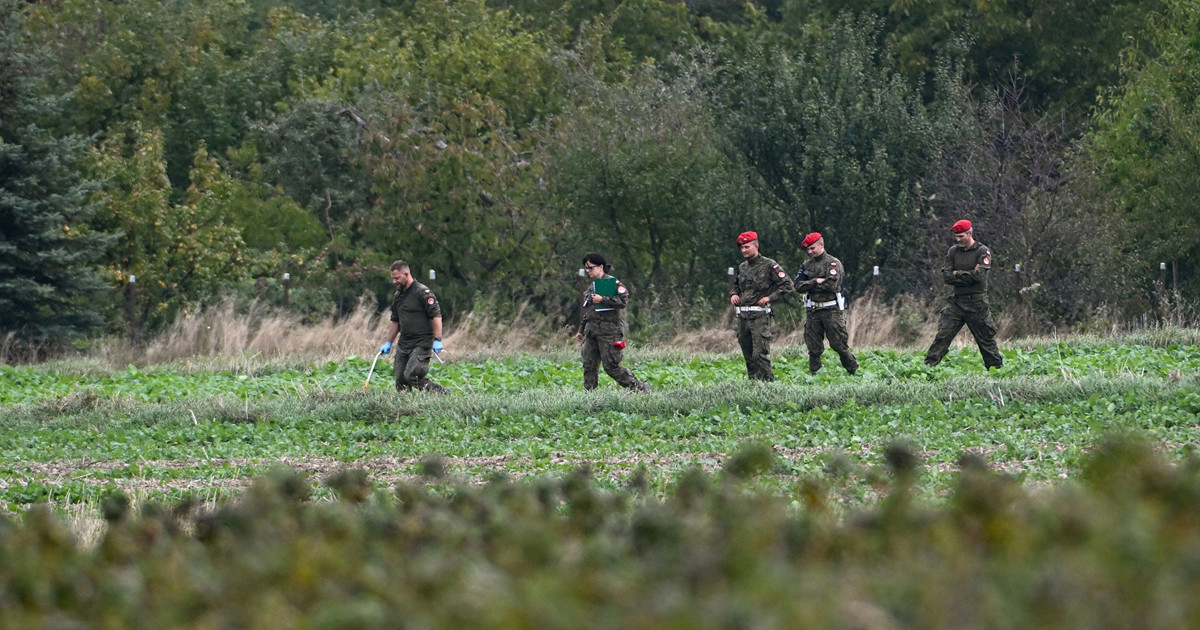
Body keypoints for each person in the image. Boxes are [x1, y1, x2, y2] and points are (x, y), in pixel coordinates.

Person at [924, 220, 1003, 370]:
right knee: (942, 336)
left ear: (970, 233)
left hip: (977, 304)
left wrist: (957, 274)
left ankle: (997, 372)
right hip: (957, 303)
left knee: (986, 342)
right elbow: (947, 277)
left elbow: (979, 276)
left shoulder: (982, 251)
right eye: (956, 237)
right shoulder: (953, 251)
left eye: (961, 236)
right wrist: (969, 274)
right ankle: (927, 369)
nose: (958, 239)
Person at [576, 253, 650, 392]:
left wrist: (603, 299)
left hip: (609, 332)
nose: (588, 271)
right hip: (592, 331)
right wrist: (581, 330)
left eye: (590, 268)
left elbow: (623, 301)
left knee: (611, 366)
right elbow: (589, 311)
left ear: (600, 267)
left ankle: (638, 387)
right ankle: (590, 396)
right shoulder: (592, 287)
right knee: (589, 365)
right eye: (586, 268)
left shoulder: (612, 284)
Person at [730, 231, 795, 381]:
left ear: (756, 246)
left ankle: (769, 386)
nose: (744, 250)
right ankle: (754, 385)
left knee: (759, 354)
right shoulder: (742, 267)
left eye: (747, 247)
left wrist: (769, 298)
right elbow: (736, 286)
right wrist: (734, 294)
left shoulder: (769, 265)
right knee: (748, 355)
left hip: (759, 315)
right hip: (743, 316)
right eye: (742, 248)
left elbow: (787, 285)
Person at [380, 260, 450, 394]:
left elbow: (436, 316)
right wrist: (388, 342)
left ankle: (441, 393)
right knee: (400, 379)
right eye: (393, 278)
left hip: (422, 342)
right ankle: (406, 408)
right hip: (404, 342)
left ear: (406, 274)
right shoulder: (398, 295)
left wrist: (438, 339)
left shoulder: (422, 292)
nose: (394, 281)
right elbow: (395, 321)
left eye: (397, 278)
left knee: (411, 375)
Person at [794, 232, 859, 375]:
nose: (810, 252)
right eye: (808, 250)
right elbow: (798, 286)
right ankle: (814, 374)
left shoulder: (833, 263)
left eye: (812, 248)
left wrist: (809, 285)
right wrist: (816, 281)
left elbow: (831, 285)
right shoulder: (806, 265)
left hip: (831, 310)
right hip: (812, 311)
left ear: (821, 245)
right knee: (813, 347)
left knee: (839, 344)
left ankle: (853, 370)